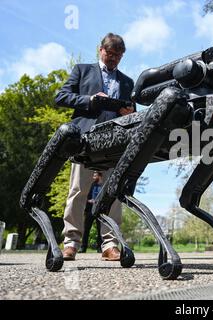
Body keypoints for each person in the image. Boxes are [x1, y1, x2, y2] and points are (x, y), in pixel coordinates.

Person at [55, 33, 135, 261]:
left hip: (115, 142)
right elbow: (61, 97)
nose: (114, 59)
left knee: (114, 194)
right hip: (85, 139)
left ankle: (110, 244)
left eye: (118, 56)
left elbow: (134, 113)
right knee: (78, 190)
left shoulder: (128, 81)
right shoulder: (82, 70)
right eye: (110, 54)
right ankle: (70, 242)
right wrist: (89, 100)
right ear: (100, 50)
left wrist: (129, 112)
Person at [79, 171, 103, 253]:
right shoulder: (91, 185)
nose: (93, 177)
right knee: (86, 230)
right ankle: (83, 247)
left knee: (100, 230)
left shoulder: (103, 186)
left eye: (95, 176)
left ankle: (100, 248)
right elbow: (85, 196)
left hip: (100, 210)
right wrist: (89, 201)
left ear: (100, 176)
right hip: (89, 210)